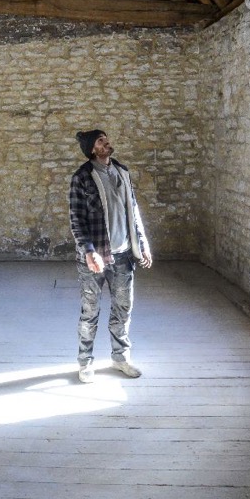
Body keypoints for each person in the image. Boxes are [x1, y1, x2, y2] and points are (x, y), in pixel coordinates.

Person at [68, 129, 152, 383]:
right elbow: (76, 221)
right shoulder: (82, 177)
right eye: (100, 140)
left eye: (106, 139)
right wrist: (89, 251)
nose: (106, 142)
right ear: (92, 149)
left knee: (123, 309)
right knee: (90, 311)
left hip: (124, 254)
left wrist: (143, 243)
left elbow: (132, 210)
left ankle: (120, 357)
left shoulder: (121, 171)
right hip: (95, 257)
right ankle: (85, 362)